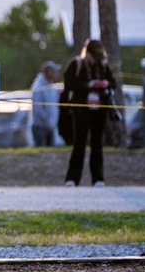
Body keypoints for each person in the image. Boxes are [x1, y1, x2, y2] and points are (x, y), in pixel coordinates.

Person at [63, 39, 115, 187]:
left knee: (97, 143)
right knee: (79, 144)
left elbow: (113, 83)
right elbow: (69, 85)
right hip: (81, 110)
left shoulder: (103, 66)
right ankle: (72, 178)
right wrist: (88, 85)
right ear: (88, 53)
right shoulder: (76, 65)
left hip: (99, 110)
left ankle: (98, 178)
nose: (96, 59)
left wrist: (105, 84)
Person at [30, 60, 61, 147]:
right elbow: (38, 109)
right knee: (41, 154)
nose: (57, 73)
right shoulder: (38, 87)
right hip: (40, 128)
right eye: (55, 71)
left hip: (50, 127)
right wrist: (48, 121)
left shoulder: (51, 87)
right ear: (49, 72)